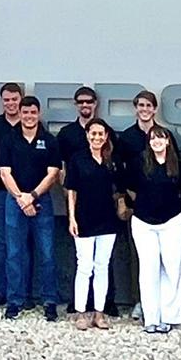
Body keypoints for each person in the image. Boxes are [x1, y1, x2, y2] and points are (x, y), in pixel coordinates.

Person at [117, 90, 181, 322]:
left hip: (169, 216)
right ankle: (143, 305)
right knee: (143, 263)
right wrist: (134, 201)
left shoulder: (169, 139)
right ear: (136, 108)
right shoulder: (126, 138)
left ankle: (168, 313)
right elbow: (125, 176)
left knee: (170, 265)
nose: (144, 109)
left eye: (148, 106)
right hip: (141, 213)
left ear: (154, 109)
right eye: (140, 105)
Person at [0, 95, 61, 322]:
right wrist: (21, 199)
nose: (29, 116)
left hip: (41, 202)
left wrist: (32, 196)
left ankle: (49, 301)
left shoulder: (50, 140)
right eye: (25, 112)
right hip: (15, 203)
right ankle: (14, 302)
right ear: (20, 113)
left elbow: (53, 173)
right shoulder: (9, 139)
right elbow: (5, 172)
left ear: (39, 113)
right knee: (14, 254)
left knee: (47, 254)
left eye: (33, 112)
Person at [125, 125, 181, 334]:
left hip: (172, 222)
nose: (157, 142)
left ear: (168, 141)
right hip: (144, 223)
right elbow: (129, 188)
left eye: (161, 138)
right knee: (149, 270)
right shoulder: (139, 163)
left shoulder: (178, 165)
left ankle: (169, 317)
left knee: (172, 269)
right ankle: (151, 317)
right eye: (153, 138)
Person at [64, 118, 123, 331]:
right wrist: (72, 218)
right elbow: (72, 190)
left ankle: (99, 312)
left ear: (106, 136)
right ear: (87, 135)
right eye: (93, 133)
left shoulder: (112, 160)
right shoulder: (77, 159)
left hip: (108, 219)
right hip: (84, 219)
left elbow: (119, 189)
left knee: (102, 266)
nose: (97, 137)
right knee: (84, 266)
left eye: (101, 134)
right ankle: (81, 312)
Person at [0, 82, 24, 309]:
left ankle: (22, 293)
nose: (11, 103)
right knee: (1, 244)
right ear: (2, 102)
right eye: (6, 99)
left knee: (22, 244)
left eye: (14, 99)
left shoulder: (31, 123)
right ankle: (1, 292)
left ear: (21, 99)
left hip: (27, 195)